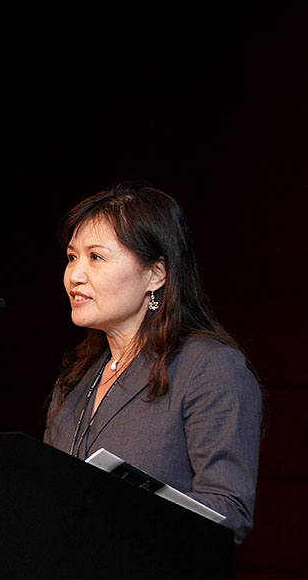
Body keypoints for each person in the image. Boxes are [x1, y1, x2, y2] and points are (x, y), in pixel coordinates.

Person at [43, 183, 262, 547]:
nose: (75, 275)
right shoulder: (77, 379)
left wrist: (125, 508)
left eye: (95, 257)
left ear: (156, 274)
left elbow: (229, 513)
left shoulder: (208, 367)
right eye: (71, 257)